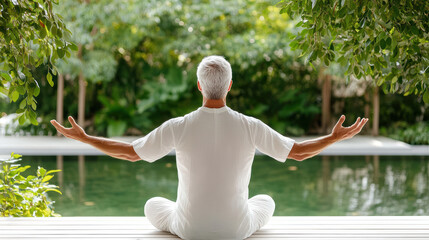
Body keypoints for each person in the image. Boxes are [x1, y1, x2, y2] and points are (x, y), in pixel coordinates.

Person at [51, 55, 368, 240]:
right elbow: (298, 151)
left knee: (152, 204)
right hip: (237, 229)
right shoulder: (249, 125)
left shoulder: (179, 125)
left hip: (188, 228)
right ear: (230, 85)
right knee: (266, 200)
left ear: (199, 86)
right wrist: (334, 137)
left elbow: (130, 153)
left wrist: (84, 137)